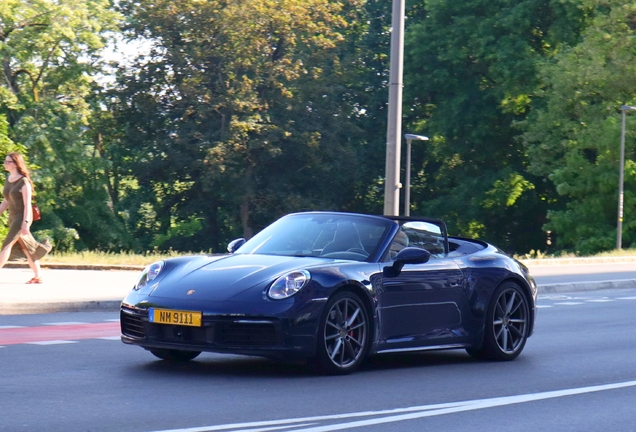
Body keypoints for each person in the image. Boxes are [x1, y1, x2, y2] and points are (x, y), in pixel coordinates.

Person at [0, 152, 52, 283]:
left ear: (16, 164)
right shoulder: (8, 179)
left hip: (21, 218)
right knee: (27, 248)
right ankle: (38, 276)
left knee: (6, 245)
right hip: (12, 218)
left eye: (8, 162)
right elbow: (6, 201)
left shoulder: (24, 182)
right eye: (5, 161)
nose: (5, 164)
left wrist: (25, 223)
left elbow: (27, 204)